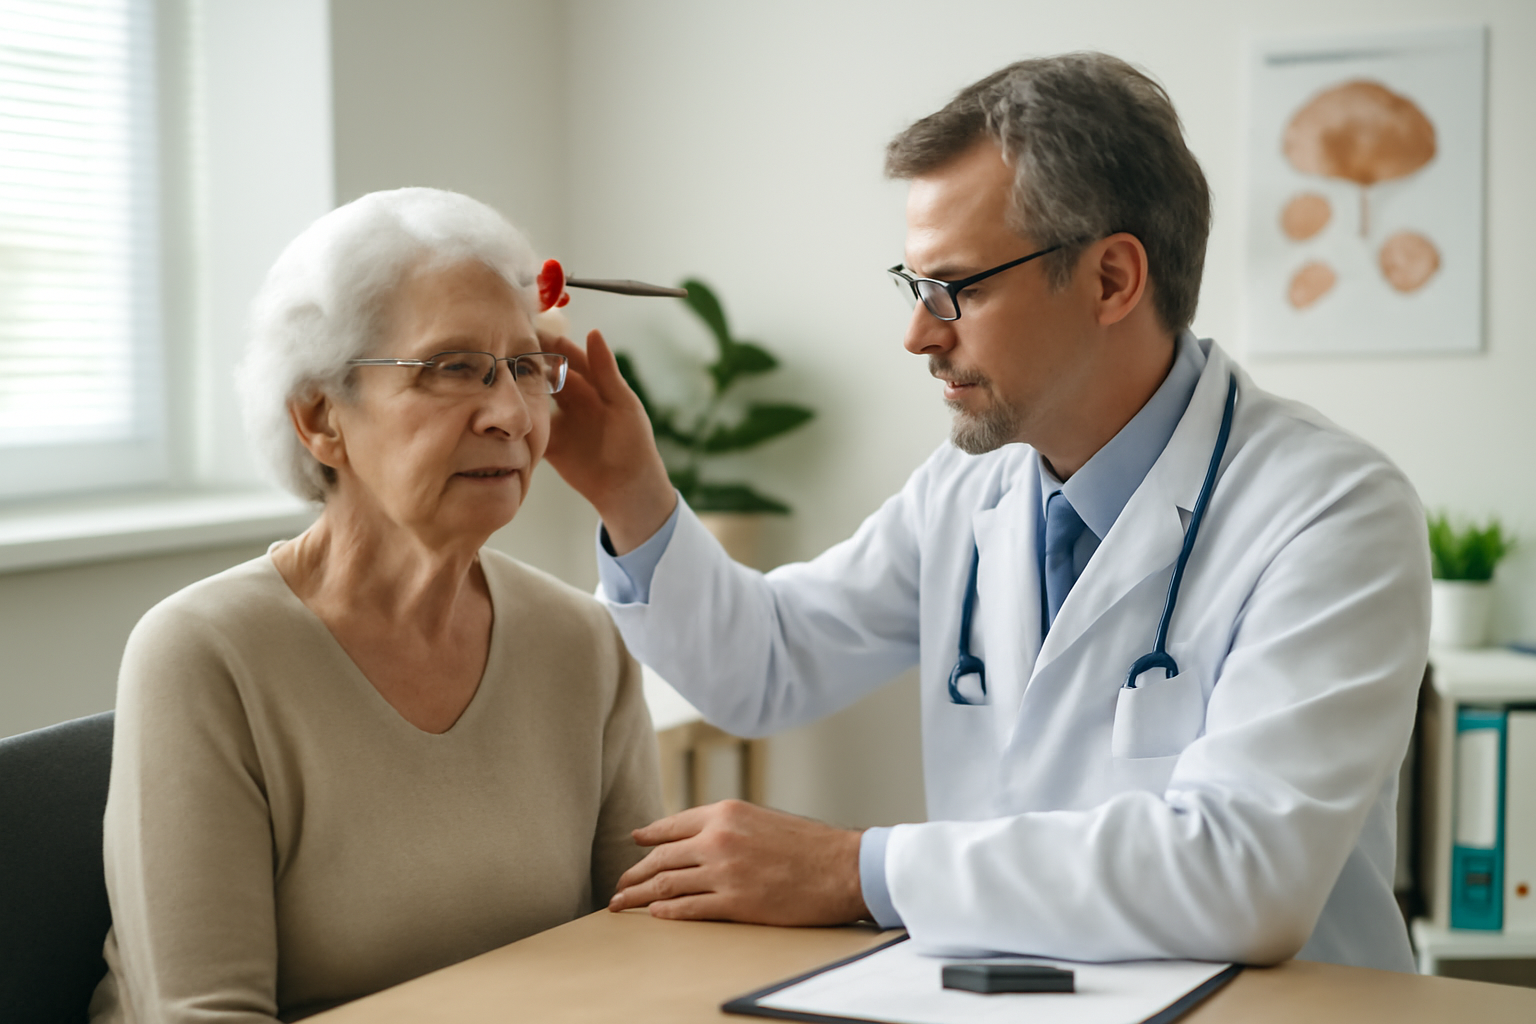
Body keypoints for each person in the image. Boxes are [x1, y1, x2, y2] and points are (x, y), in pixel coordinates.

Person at [542, 53, 1429, 970]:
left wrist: (856, 869)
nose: (919, 334)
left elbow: (1247, 877)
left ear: (1113, 281)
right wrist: (627, 487)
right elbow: (766, 664)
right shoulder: (969, 490)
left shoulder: (1332, 514)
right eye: (914, 286)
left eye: (955, 289)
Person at [91, 188, 662, 1023]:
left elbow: (643, 949)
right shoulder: (202, 654)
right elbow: (208, 1015)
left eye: (527, 369)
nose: (509, 414)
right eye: (454, 368)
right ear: (321, 418)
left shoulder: (581, 640)